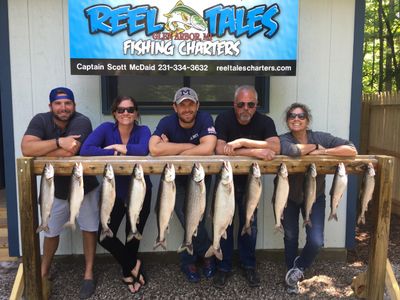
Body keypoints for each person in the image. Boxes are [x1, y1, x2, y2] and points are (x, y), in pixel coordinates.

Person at [21, 87, 100, 299]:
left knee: (89, 228)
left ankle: (88, 273)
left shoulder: (82, 121)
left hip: (85, 186)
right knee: (50, 231)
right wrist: (58, 142)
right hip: (53, 188)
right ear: (51, 106)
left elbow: (71, 150)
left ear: (74, 106)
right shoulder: (40, 120)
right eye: (58, 103)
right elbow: (26, 149)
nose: (63, 108)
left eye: (67, 103)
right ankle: (44, 270)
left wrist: (45, 148)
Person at [280, 102, 358, 295]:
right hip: (288, 197)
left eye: (301, 116)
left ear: (307, 120)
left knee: (316, 240)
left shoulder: (322, 137)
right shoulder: (282, 139)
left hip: (316, 197)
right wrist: (313, 147)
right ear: (287, 120)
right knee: (290, 237)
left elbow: (351, 150)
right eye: (292, 116)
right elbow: (291, 151)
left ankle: (298, 267)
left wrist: (323, 151)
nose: (296, 119)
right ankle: (291, 277)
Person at [80, 96, 152, 294]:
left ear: (136, 113)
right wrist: (114, 154)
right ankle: (134, 264)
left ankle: (128, 274)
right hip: (115, 192)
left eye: (130, 110)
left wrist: (122, 148)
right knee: (104, 235)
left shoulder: (143, 130)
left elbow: (144, 149)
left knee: (133, 235)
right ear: (114, 113)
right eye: (121, 110)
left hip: (141, 190)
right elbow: (86, 149)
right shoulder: (105, 129)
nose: (126, 113)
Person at [213, 85, 280, 288]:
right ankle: (223, 267)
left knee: (250, 224)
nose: (245, 109)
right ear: (234, 104)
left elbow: (276, 147)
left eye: (250, 104)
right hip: (227, 183)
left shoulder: (265, 121)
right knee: (224, 223)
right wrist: (256, 152)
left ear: (256, 105)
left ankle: (248, 265)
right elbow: (219, 148)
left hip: (252, 184)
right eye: (241, 104)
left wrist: (241, 144)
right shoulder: (224, 119)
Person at [149, 87, 217, 283]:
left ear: (197, 105)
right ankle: (207, 255)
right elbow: (154, 149)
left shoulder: (204, 118)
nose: (187, 109)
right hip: (174, 180)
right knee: (185, 215)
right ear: (175, 107)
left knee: (200, 217)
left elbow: (209, 147)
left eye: (190, 104)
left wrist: (170, 149)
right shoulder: (166, 122)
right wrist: (192, 147)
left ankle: (188, 259)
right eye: (182, 105)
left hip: (200, 177)